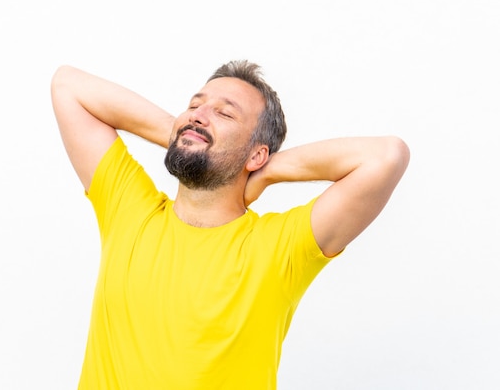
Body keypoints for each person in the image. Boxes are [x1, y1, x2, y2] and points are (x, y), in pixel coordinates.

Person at [51, 60, 410, 389]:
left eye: (224, 113)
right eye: (194, 106)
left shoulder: (279, 247)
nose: (199, 115)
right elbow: (68, 85)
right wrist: (186, 134)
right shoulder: (130, 210)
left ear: (257, 153)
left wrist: (267, 172)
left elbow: (386, 156)